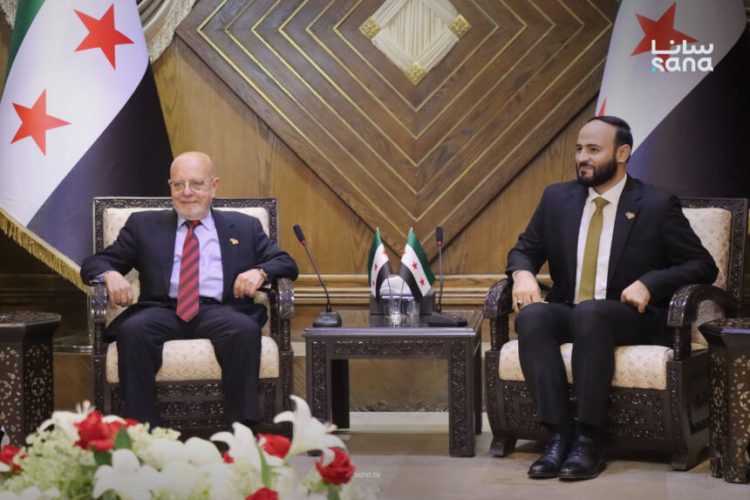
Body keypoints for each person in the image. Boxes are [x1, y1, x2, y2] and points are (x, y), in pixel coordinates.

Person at [507, 116, 717, 480]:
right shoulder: (557, 198)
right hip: (571, 309)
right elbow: (525, 250)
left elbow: (702, 265)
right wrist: (522, 273)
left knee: (592, 314)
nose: (582, 158)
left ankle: (589, 439)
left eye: (593, 149)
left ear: (622, 153)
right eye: (579, 149)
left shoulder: (656, 204)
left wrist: (651, 282)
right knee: (532, 317)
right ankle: (559, 436)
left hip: (629, 317)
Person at [81, 151, 299, 428]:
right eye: (178, 184)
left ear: (214, 186)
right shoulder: (143, 225)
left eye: (196, 184)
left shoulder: (244, 226)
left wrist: (261, 272)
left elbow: (286, 263)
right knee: (132, 331)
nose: (187, 193)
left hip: (220, 309)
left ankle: (241, 428)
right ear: (170, 187)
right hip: (163, 309)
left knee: (244, 330)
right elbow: (94, 263)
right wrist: (110, 274)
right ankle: (141, 429)